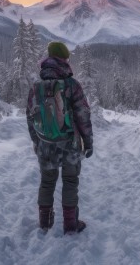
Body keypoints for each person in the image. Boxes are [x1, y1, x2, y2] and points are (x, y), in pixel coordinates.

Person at [26, 42, 93, 234]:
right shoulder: (72, 85)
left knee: (47, 181)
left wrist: (36, 141)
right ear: (64, 60)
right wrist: (88, 142)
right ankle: (70, 224)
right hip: (70, 144)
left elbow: (30, 116)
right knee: (70, 181)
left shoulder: (36, 86)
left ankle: (44, 222)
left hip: (45, 145)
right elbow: (83, 115)